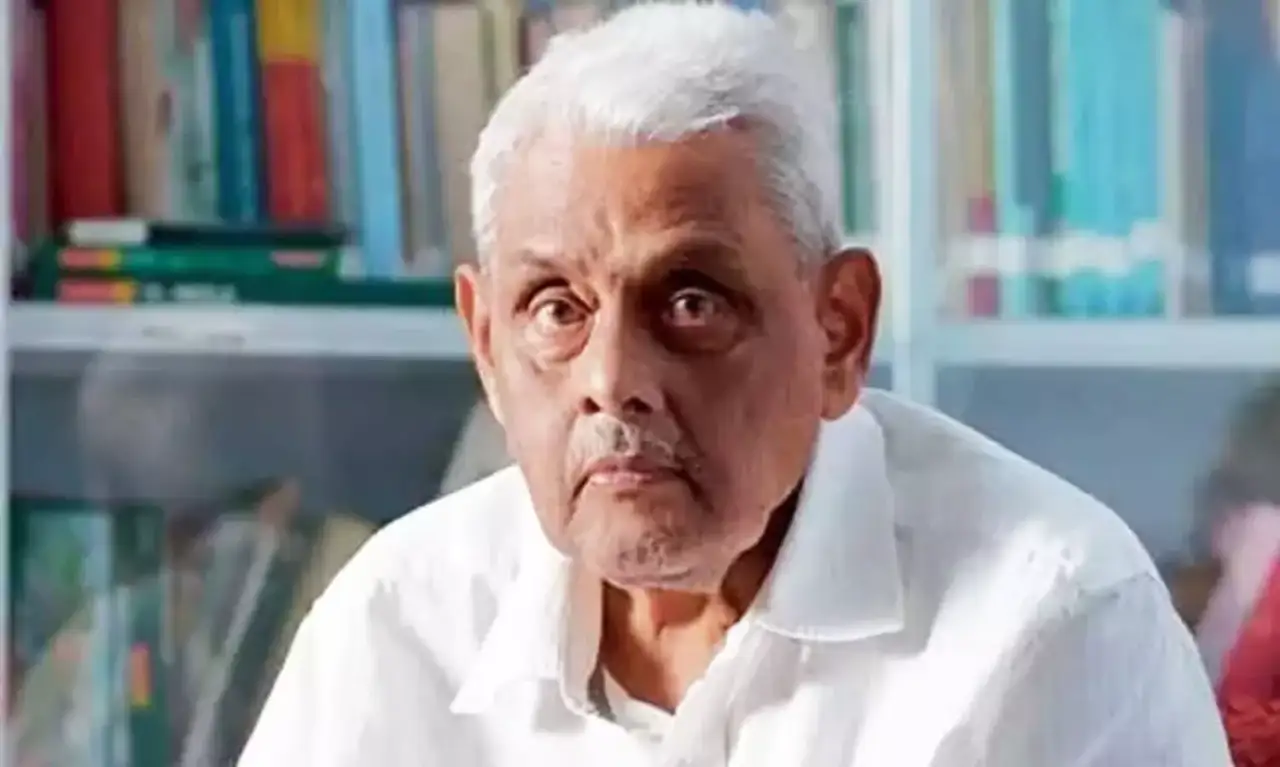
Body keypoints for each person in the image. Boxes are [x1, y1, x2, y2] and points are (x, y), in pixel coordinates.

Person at [239, 3, 1230, 764]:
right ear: (486, 345)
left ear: (837, 330)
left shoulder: (1051, 616)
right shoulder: (397, 620)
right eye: (555, 308)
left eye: (691, 302)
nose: (612, 381)